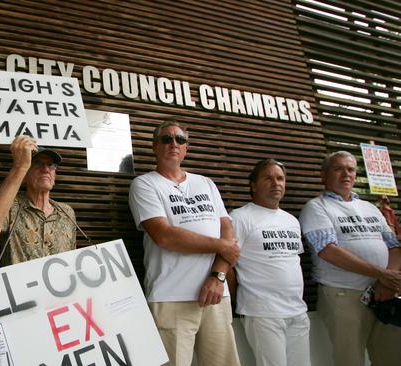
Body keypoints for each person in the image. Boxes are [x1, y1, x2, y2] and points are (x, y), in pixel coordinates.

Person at [128, 120, 241, 366]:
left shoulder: (206, 183)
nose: (174, 144)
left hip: (215, 296)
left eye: (180, 139)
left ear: (186, 148)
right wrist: (220, 245)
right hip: (171, 297)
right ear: (155, 147)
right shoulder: (145, 184)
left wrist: (218, 277)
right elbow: (164, 236)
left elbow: (228, 232)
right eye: (166, 139)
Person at [299, 151, 401, 366]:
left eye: (351, 169)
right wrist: (381, 274)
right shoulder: (316, 207)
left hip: (383, 293)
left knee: (391, 357)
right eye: (338, 169)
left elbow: (394, 246)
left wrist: (386, 280)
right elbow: (328, 250)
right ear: (323, 176)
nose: (346, 174)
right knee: (350, 360)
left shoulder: (370, 208)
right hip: (343, 294)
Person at [229, 159, 310, 366]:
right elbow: (227, 262)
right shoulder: (239, 218)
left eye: (280, 178)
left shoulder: (291, 220)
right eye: (268, 178)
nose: (276, 184)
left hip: (297, 311)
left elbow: (293, 262)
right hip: (263, 312)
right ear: (253, 185)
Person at [0, 135, 76, 265]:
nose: (45, 170)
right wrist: (19, 167)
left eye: (51, 165)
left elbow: (73, 258)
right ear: (26, 173)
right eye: (38, 164)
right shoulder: (11, 205)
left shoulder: (67, 212)